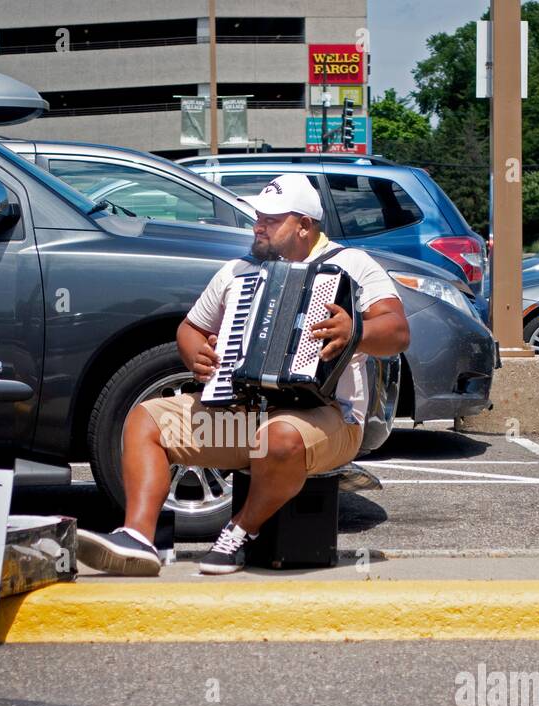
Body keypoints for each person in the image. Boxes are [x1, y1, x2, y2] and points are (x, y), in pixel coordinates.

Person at [77, 173, 410, 576]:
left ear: (304, 225)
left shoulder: (351, 264)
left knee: (279, 437)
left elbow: (397, 332)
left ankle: (240, 530)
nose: (258, 226)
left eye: (271, 220)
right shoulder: (238, 271)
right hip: (243, 418)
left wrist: (356, 332)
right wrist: (195, 354)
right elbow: (191, 327)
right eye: (258, 217)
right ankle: (137, 538)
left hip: (330, 420)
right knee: (145, 420)